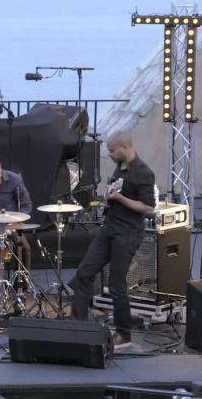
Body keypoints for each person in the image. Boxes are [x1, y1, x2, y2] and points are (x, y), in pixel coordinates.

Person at [69, 131, 155, 349]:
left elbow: (147, 207)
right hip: (110, 228)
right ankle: (79, 326)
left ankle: (124, 334)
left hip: (128, 233)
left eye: (111, 150)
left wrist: (120, 198)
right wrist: (110, 194)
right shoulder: (121, 167)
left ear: (124, 148)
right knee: (84, 273)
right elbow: (118, 190)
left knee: (116, 285)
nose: (109, 154)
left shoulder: (143, 173)